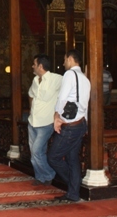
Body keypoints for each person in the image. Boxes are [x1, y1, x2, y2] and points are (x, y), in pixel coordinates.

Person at [47, 49, 91, 203]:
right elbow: (85, 104)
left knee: (53, 157)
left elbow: (62, 98)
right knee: (72, 159)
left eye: (65, 60)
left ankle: (74, 183)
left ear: (71, 59)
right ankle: (73, 193)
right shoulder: (85, 79)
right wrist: (85, 124)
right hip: (80, 124)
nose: (63, 63)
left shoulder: (69, 75)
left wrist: (56, 116)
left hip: (70, 126)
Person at [28, 54, 63, 186]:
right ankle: (41, 177)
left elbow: (70, 88)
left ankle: (49, 174)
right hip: (33, 121)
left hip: (46, 123)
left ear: (40, 66)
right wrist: (32, 109)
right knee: (35, 152)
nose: (32, 66)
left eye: (34, 64)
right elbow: (30, 95)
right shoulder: (35, 80)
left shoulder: (56, 79)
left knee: (37, 151)